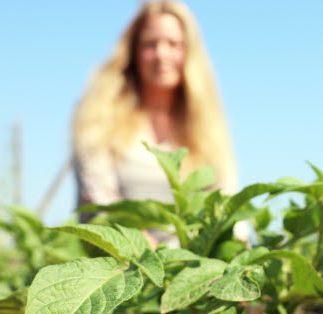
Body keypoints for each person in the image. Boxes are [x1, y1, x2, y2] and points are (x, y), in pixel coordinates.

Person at [71, 1, 238, 243]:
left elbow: (227, 199)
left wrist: (236, 249)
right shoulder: (99, 115)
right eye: (150, 44)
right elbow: (99, 201)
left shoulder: (207, 126)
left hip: (189, 266)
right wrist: (155, 257)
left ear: (189, 53)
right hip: (125, 259)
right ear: (133, 52)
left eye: (174, 44)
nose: (162, 54)